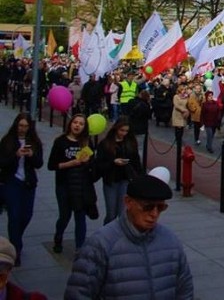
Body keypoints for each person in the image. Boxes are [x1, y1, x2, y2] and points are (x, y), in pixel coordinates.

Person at [65, 171, 193, 299]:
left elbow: (185, 291)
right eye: (147, 207)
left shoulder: (170, 241)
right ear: (128, 202)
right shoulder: (99, 245)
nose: (154, 214)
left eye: (160, 207)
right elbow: (78, 294)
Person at [47, 114, 97, 253]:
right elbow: (51, 165)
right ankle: (58, 237)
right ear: (70, 124)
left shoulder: (87, 142)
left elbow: (92, 165)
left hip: (81, 185)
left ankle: (80, 248)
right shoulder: (61, 141)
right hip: (64, 183)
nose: (77, 126)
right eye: (75, 122)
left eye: (81, 124)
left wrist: (88, 162)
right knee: (65, 215)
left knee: (80, 216)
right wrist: (70, 163)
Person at [0, 114, 43, 266]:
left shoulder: (35, 142)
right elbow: (2, 163)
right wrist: (16, 155)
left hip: (28, 183)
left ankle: (16, 238)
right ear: (16, 125)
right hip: (12, 183)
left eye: (26, 126)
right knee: (14, 216)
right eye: (20, 126)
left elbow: (39, 163)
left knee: (26, 215)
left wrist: (31, 155)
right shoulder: (7, 141)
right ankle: (16, 249)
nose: (23, 129)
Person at [94, 117, 142, 224]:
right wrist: (113, 162)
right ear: (116, 129)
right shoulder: (106, 143)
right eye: (122, 130)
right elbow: (99, 163)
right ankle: (106, 234)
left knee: (123, 213)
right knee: (111, 214)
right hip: (111, 179)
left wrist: (140, 178)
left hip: (125, 179)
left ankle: (120, 235)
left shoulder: (130, 142)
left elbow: (136, 161)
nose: (124, 133)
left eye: (126, 131)